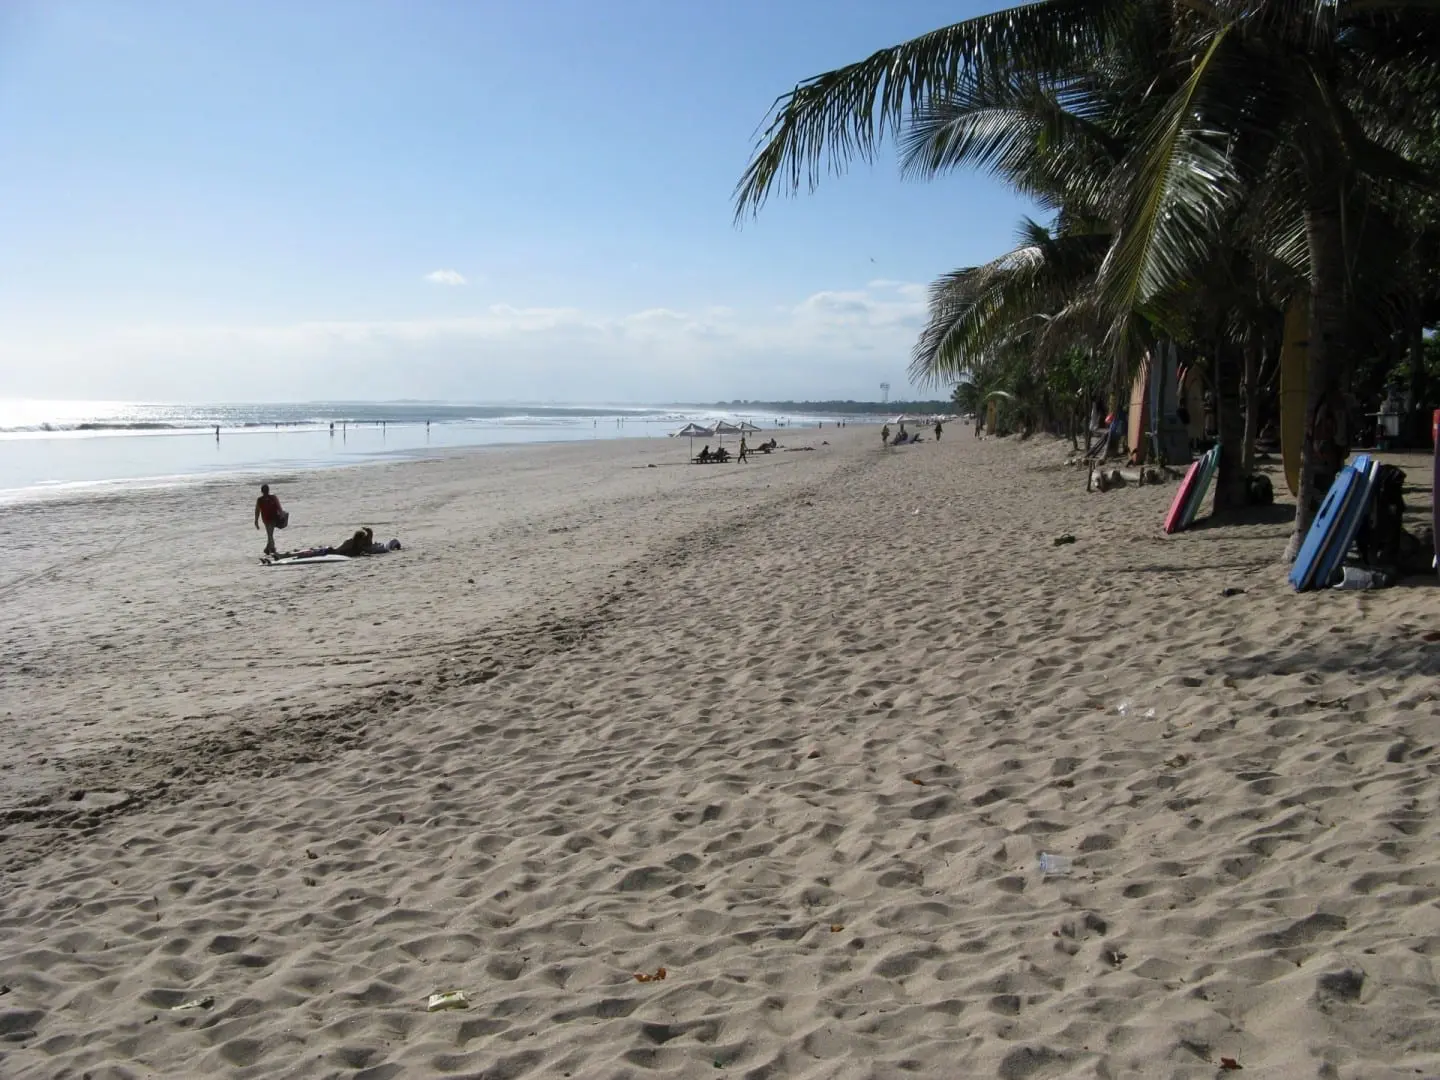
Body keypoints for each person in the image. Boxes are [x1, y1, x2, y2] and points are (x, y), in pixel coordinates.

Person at [254, 484, 284, 555]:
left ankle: (269, 548)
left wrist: (281, 515)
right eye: (264, 490)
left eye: (266, 490)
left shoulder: (272, 497)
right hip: (266, 520)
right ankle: (270, 548)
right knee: (270, 534)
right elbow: (257, 510)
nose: (265, 492)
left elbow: (279, 506)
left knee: (270, 534)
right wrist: (256, 521)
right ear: (262, 491)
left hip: (273, 518)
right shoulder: (260, 500)